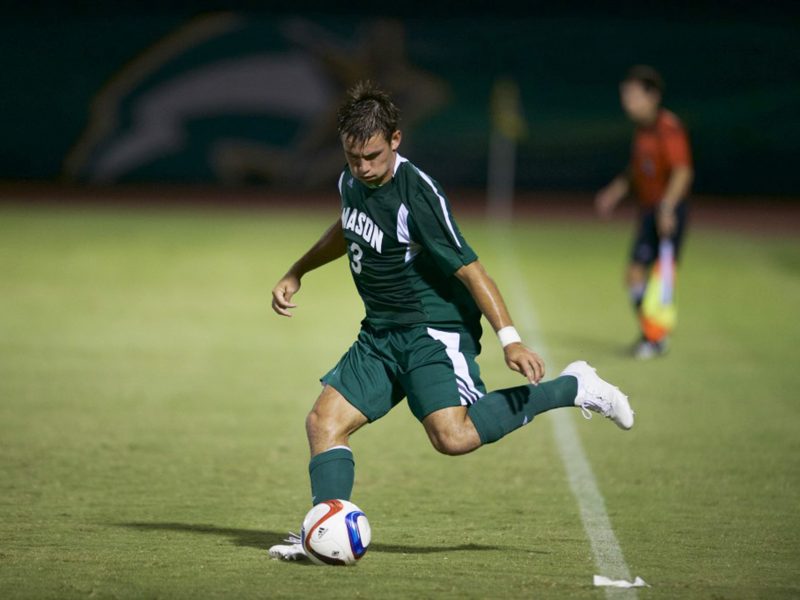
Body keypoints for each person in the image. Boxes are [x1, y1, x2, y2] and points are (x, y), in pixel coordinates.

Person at [268, 81, 634, 561]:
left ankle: (572, 386)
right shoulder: (351, 180)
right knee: (323, 423)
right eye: (353, 158)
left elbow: (471, 269)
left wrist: (512, 341)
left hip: (429, 332)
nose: (362, 167)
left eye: (373, 156)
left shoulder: (417, 193)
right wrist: (298, 270)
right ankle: (322, 532)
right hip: (379, 333)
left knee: (453, 437)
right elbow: (348, 226)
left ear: (396, 140)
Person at [595, 65, 694, 359]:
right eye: (625, 95)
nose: (627, 102)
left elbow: (683, 171)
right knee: (635, 275)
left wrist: (667, 206)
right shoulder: (643, 131)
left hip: (668, 212)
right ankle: (652, 335)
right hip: (650, 211)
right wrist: (614, 191)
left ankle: (655, 338)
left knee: (660, 279)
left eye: (633, 95)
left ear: (652, 97)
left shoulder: (668, 128)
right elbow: (635, 171)